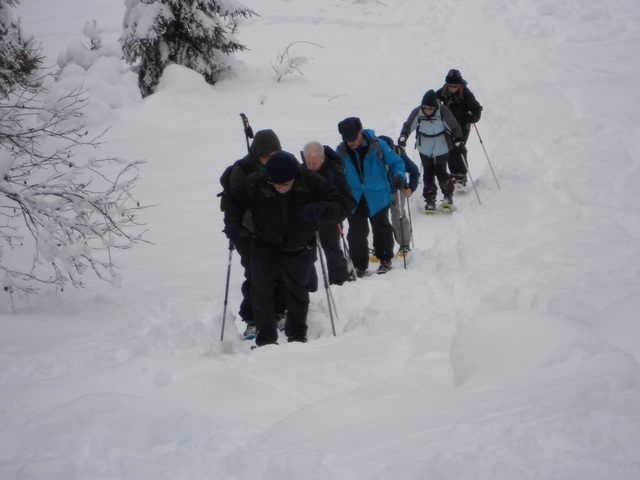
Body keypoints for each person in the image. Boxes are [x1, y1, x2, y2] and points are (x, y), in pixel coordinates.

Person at [223, 151, 347, 346]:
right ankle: (265, 339)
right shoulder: (258, 181)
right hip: (264, 245)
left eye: (284, 183)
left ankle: (297, 335)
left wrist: (322, 209)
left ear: (293, 176)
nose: (279, 186)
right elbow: (232, 200)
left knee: (298, 291)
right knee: (261, 290)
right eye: (275, 183)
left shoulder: (310, 181)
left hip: (300, 246)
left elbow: (340, 203)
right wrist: (233, 223)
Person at [227, 129, 287, 339]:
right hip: (247, 232)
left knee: (279, 272)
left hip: (274, 231)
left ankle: (279, 311)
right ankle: (253, 318)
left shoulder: (283, 165)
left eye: (273, 156)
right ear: (256, 154)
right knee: (255, 275)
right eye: (264, 157)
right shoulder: (241, 171)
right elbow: (235, 204)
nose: (268, 161)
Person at [336, 117, 405, 276]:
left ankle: (385, 259)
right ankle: (359, 266)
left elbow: (397, 163)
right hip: (355, 197)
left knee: (382, 229)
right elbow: (335, 172)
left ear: (360, 131)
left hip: (378, 195)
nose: (351, 142)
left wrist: (400, 176)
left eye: (353, 138)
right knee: (356, 234)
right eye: (347, 139)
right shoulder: (341, 151)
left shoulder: (377, 145)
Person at [398, 89, 463, 212]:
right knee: (428, 172)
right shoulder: (418, 111)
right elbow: (408, 125)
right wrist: (403, 136)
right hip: (425, 146)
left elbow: (454, 126)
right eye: (425, 108)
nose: (427, 111)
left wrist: (458, 139)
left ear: (435, 107)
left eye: (430, 109)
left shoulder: (443, 111)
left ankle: (448, 196)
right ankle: (430, 200)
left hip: (441, 146)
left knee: (441, 171)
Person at [302, 141, 357, 285]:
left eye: (314, 163)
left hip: (330, 219)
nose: (311, 167)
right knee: (307, 255)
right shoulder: (300, 172)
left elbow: (347, 199)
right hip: (308, 221)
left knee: (333, 251)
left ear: (322, 159)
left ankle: (340, 283)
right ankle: (308, 288)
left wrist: (333, 211)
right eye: (308, 163)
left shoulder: (334, 172)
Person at [436, 68, 483, 186]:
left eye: (455, 86)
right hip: (448, 124)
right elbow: (433, 99)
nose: (452, 88)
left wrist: (473, 117)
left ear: (459, 85)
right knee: (449, 149)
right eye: (450, 86)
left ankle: (461, 175)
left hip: (463, 125)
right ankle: (454, 174)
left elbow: (477, 108)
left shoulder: (466, 93)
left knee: (459, 147)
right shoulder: (443, 91)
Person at [378, 135, 420, 256]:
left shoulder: (398, 153)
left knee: (398, 216)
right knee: (379, 219)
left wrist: (411, 188)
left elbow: (414, 171)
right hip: (380, 190)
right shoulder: (373, 154)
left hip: (397, 190)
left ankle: (404, 245)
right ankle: (382, 247)